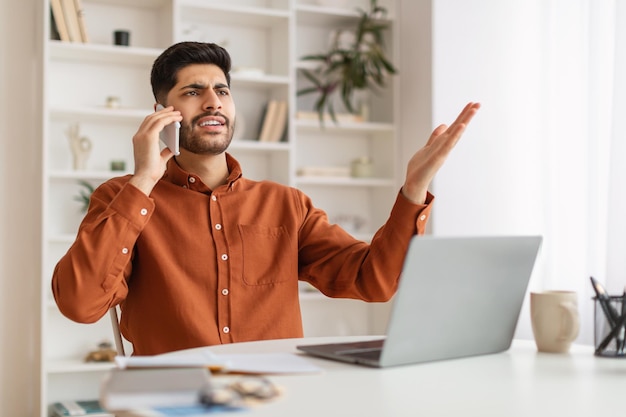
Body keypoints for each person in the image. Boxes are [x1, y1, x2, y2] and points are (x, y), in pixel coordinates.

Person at [52, 42, 480, 356]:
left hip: (274, 399)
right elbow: (80, 303)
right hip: (174, 398)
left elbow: (375, 281)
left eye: (222, 90)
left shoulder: (286, 204)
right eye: (192, 91)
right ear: (161, 112)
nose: (212, 102)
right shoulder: (124, 197)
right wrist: (144, 179)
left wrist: (413, 190)